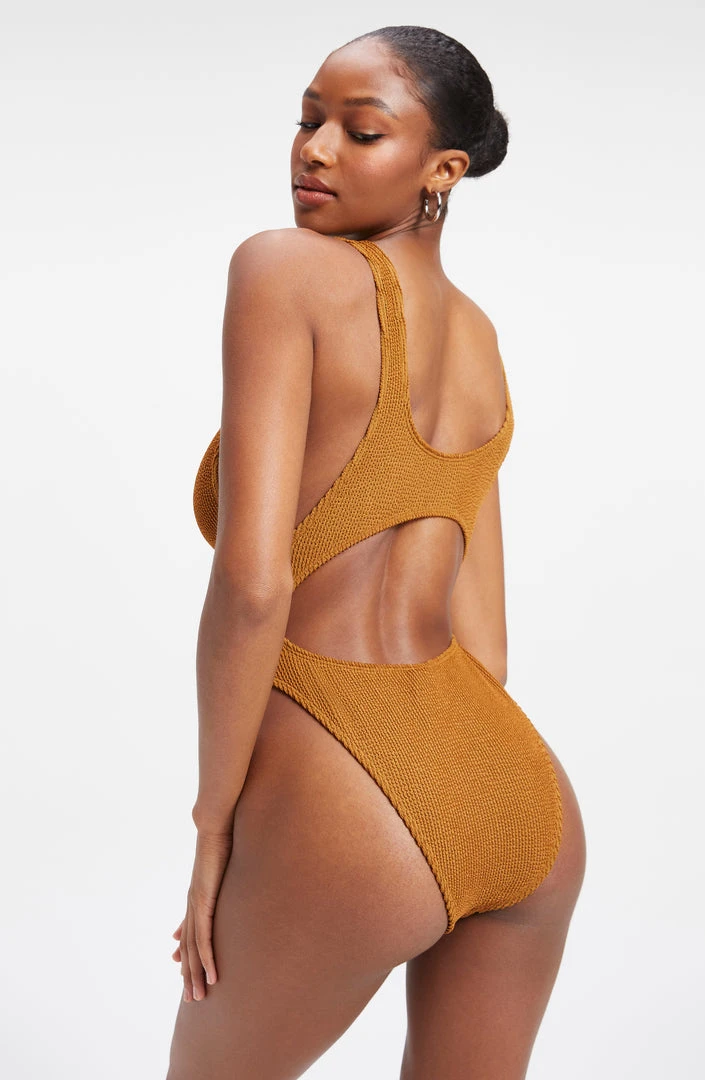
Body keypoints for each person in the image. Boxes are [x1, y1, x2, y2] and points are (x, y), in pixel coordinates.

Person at [166, 24, 586, 1080]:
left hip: (351, 786)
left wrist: (214, 829)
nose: (314, 149)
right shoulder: (481, 341)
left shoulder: (283, 271)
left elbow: (254, 584)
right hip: (517, 791)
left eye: (360, 132)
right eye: (307, 119)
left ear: (445, 169)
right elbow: (486, 648)